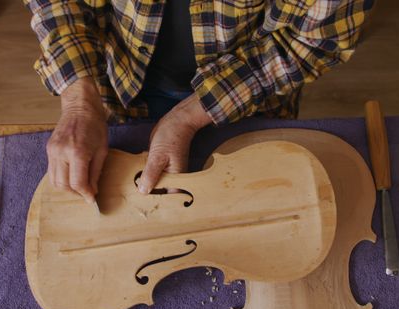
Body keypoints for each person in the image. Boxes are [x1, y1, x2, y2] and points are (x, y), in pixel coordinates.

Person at [24, 0, 372, 203]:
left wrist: (190, 115)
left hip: (247, 99)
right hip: (119, 89)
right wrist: (79, 103)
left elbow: (311, 42)